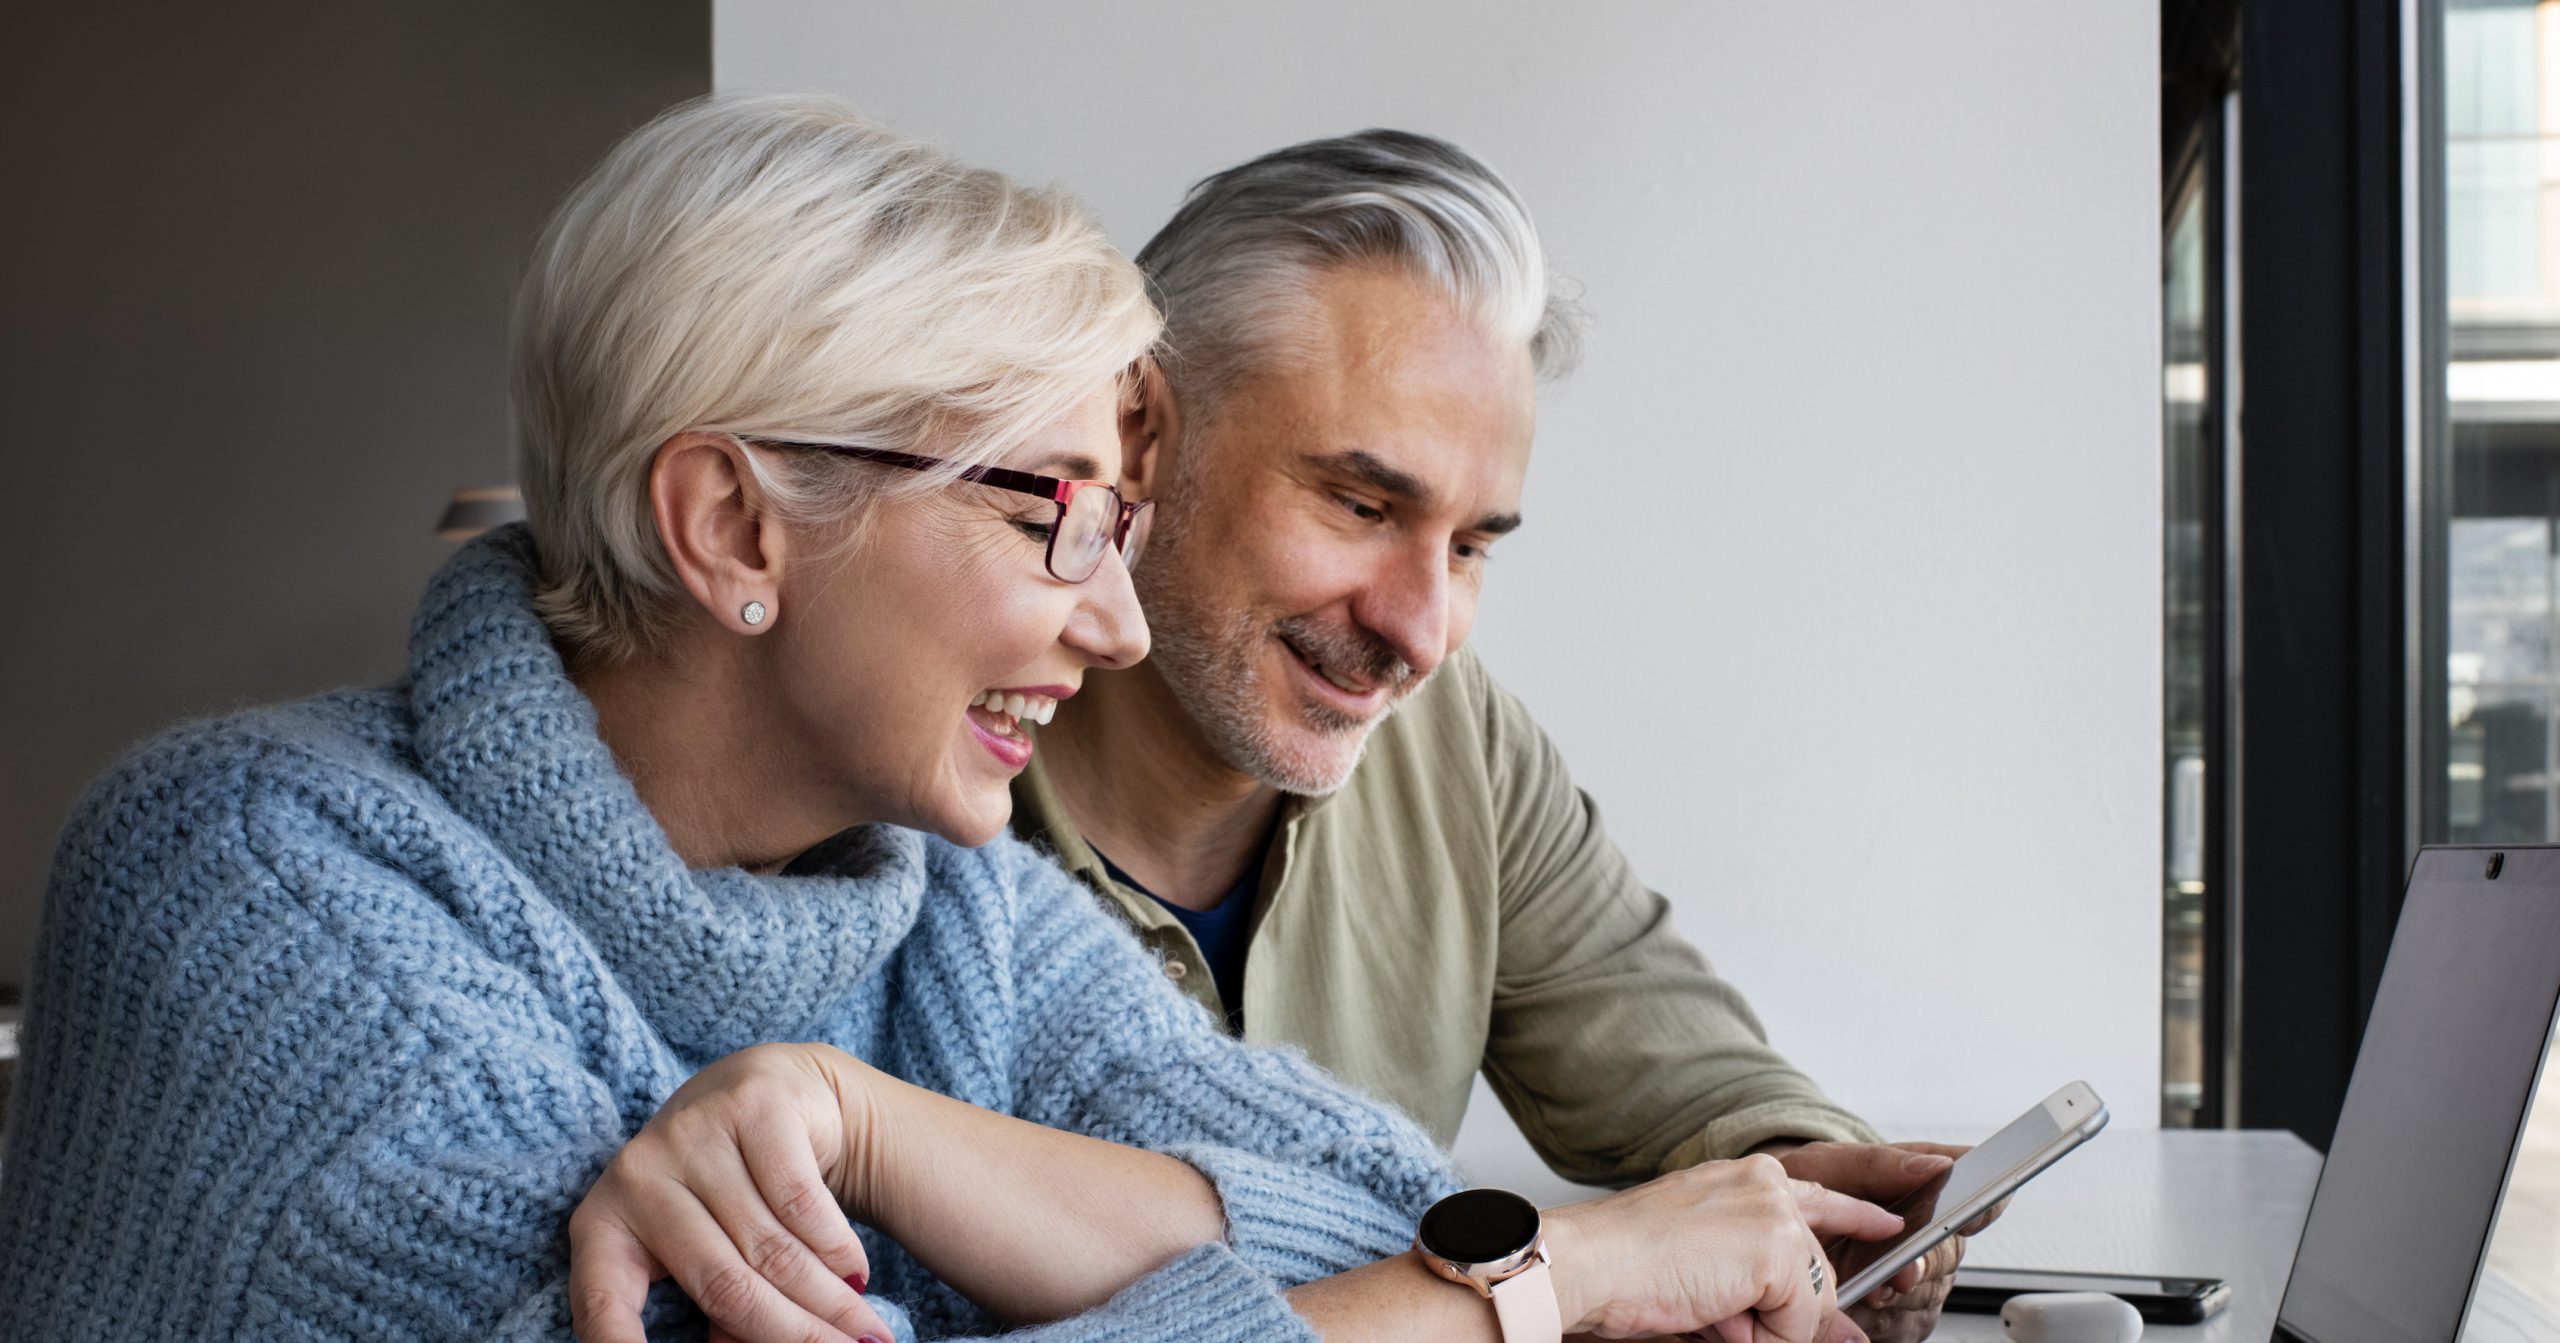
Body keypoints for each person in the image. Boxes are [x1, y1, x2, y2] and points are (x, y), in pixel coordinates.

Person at [0, 95, 1909, 1343]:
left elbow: (1386, 1195)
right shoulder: (254, 878)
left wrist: (871, 1127)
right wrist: (1536, 1288)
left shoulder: (933, 900)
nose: (1109, 616)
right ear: (738, 523)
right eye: (1048, 508)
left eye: (1126, 523)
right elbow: (1457, 1264)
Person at [1011, 129, 1980, 1341]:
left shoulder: (1452, 741)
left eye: (1471, 547)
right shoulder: (914, 778)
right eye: (1362, 504)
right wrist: (1555, 1282)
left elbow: (1675, 1058)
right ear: (1138, 433)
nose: (1421, 632)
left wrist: (1797, 1205)